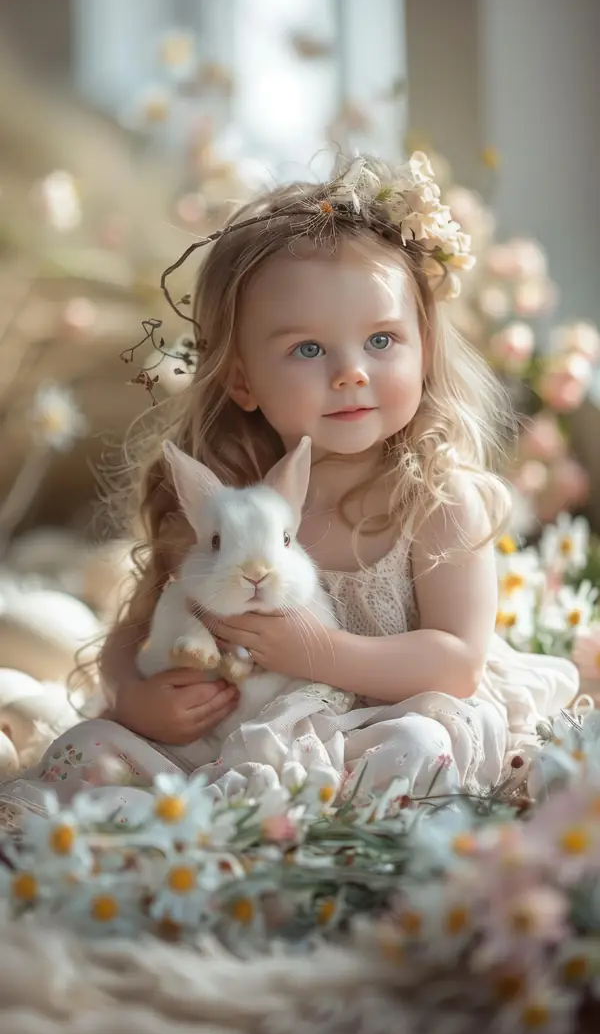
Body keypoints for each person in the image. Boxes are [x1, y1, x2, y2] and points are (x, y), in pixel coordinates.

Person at [0, 153, 579, 826]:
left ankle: (263, 829)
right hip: (234, 733)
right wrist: (136, 696)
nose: (350, 373)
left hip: (379, 724)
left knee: (418, 747)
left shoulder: (437, 498)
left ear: (425, 346)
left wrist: (321, 654)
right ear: (242, 379)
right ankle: (202, 821)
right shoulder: (235, 499)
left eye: (382, 339)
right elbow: (131, 632)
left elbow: (455, 664)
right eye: (308, 349)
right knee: (83, 746)